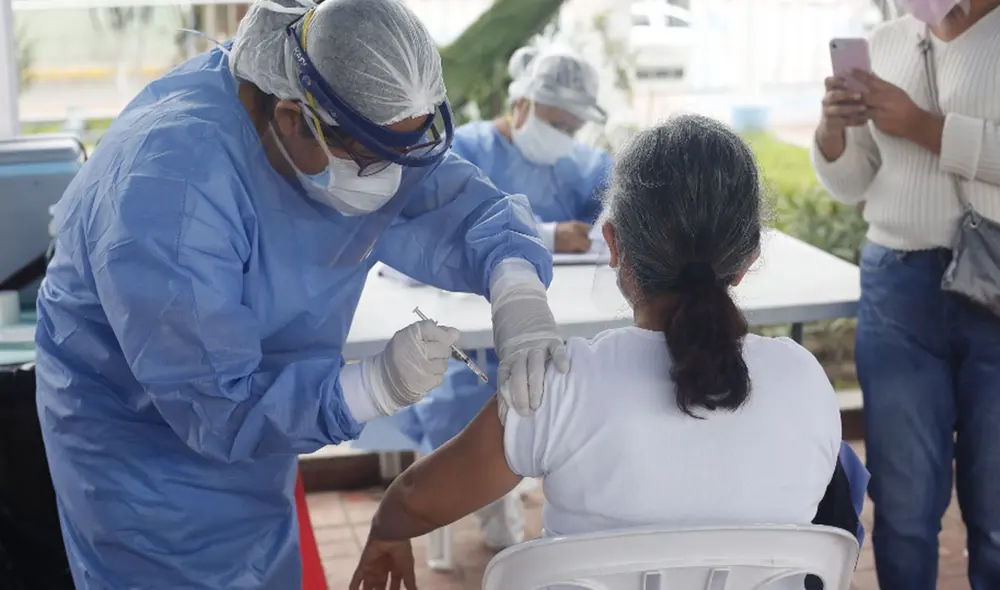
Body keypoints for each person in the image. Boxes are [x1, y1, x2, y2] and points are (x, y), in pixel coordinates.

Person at [32, 0, 572, 588]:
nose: (394, 182)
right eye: (371, 162)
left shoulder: (351, 111)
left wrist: (518, 291)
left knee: (264, 560)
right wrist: (373, 386)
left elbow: (453, 203)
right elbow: (217, 405)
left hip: (252, 436)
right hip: (144, 463)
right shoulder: (172, 193)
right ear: (293, 118)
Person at [349, 115, 847, 590]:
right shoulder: (804, 382)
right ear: (748, 259)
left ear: (612, 243)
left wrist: (386, 532)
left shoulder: (563, 386)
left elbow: (415, 500)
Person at [388, 45, 613, 550]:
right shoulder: (465, 150)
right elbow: (432, 228)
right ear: (522, 103)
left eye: (573, 128)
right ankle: (489, 500)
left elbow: (614, 210)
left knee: (568, 403)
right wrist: (547, 237)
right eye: (556, 123)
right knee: (475, 411)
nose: (565, 136)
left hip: (560, 324)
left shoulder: (582, 165)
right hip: (467, 339)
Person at [810, 0, 1000, 587]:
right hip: (897, 285)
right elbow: (854, 182)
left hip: (992, 285)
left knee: (996, 507)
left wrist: (923, 126)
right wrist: (833, 131)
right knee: (903, 504)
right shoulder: (888, 41)